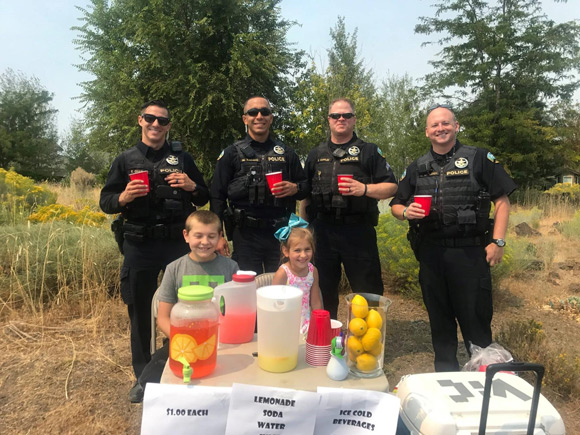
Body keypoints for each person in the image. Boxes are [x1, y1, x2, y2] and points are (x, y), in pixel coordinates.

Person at [390, 104, 517, 372]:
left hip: (470, 255)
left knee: (476, 325)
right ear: (427, 132)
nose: (440, 128)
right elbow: (396, 204)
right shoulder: (417, 167)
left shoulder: (479, 158)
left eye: (446, 123)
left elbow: (502, 201)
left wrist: (498, 242)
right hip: (431, 255)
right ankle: (446, 377)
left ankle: (486, 383)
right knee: (440, 324)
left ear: (456, 126)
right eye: (435, 125)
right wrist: (405, 212)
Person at [99, 100, 209, 400]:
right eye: (150, 119)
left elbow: (203, 196)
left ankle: (183, 364)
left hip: (176, 244)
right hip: (140, 246)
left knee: (183, 309)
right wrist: (122, 197)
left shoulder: (182, 159)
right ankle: (144, 378)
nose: (156, 125)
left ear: (169, 126)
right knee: (140, 313)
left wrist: (190, 186)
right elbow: (105, 202)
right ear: (140, 121)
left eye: (162, 121)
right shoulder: (125, 159)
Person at [302, 98, 398, 319]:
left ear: (354, 120)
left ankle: (367, 345)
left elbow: (392, 187)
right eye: (336, 115)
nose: (341, 119)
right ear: (329, 120)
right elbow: (306, 196)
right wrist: (305, 232)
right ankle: (326, 341)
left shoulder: (370, 151)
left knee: (367, 292)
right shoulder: (316, 154)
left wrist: (364, 189)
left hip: (359, 231)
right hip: (323, 231)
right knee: (322, 290)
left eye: (346, 115)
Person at [130, 210, 239, 402]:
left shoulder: (231, 268)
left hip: (222, 339)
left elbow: (236, 311)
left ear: (220, 237)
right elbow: (163, 317)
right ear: (186, 236)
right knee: (149, 380)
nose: (205, 242)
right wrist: (182, 340)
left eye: (211, 236)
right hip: (183, 339)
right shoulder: (174, 269)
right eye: (198, 235)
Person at [210, 96, 309, 275]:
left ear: (271, 118)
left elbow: (305, 187)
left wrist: (295, 188)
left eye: (265, 112)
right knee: (247, 290)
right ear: (245, 118)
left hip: (281, 234)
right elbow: (217, 197)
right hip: (245, 235)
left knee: (281, 290)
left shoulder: (287, 153)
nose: (259, 116)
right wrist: (218, 236)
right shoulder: (231, 153)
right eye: (253, 112)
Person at [272, 214, 323, 334]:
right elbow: (274, 304)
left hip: (306, 323)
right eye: (297, 250)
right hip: (285, 324)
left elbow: (315, 302)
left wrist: (320, 326)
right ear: (286, 251)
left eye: (307, 249)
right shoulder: (283, 273)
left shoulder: (312, 271)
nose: (303, 255)